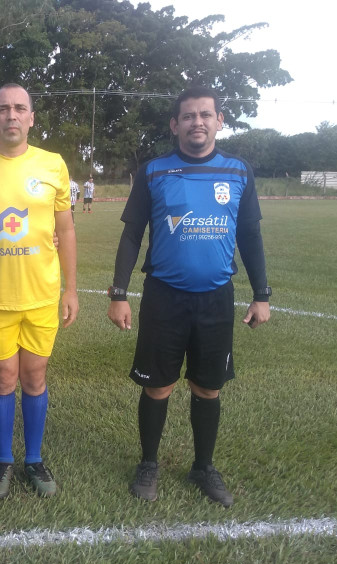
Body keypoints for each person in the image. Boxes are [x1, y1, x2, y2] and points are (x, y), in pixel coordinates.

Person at [107, 86, 271, 508]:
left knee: (208, 387)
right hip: (164, 298)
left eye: (205, 114)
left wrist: (262, 294)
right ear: (174, 124)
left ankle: (203, 466)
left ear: (219, 121)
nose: (197, 122)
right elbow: (132, 234)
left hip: (216, 299)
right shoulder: (154, 171)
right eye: (188, 116)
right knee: (157, 386)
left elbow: (250, 235)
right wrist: (119, 292)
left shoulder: (238, 172)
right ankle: (148, 463)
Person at [0, 83, 78, 499]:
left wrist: (71, 290)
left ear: (31, 118)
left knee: (34, 376)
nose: (11, 115)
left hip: (42, 293)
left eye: (20, 108)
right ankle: (4, 459)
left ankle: (34, 459)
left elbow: (66, 229)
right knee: (4, 376)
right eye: (3, 108)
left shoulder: (53, 164)